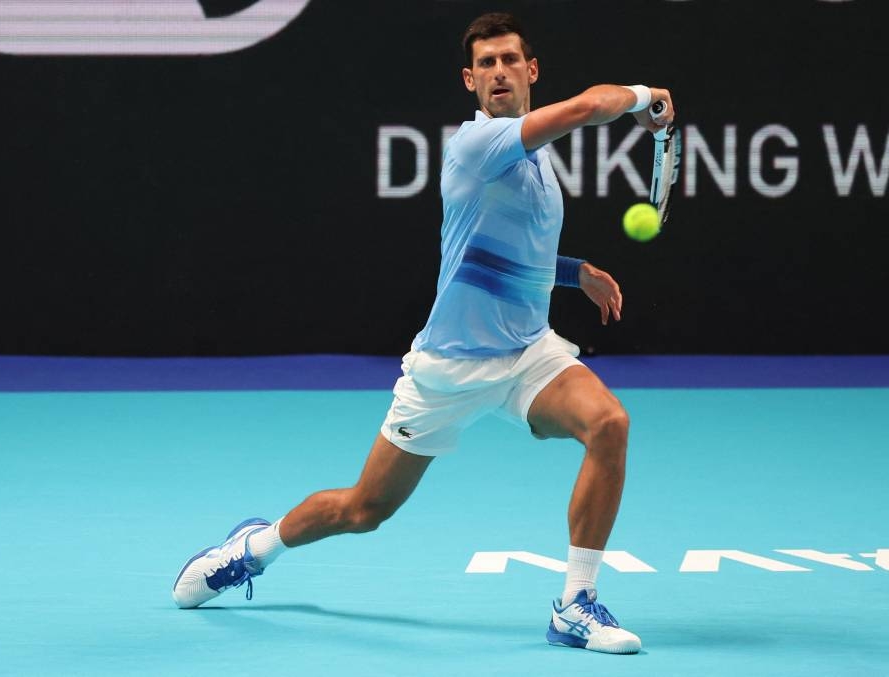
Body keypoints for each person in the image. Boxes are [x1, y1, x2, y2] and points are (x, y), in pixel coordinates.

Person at [172, 12, 674, 655]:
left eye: (510, 60)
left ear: (531, 70)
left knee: (609, 424)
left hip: (527, 352)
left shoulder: (540, 163)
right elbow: (585, 108)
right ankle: (253, 548)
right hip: (450, 367)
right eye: (486, 64)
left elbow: (501, 258)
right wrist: (643, 98)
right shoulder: (478, 144)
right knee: (364, 509)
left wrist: (575, 274)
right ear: (470, 80)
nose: (499, 72)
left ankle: (575, 606)